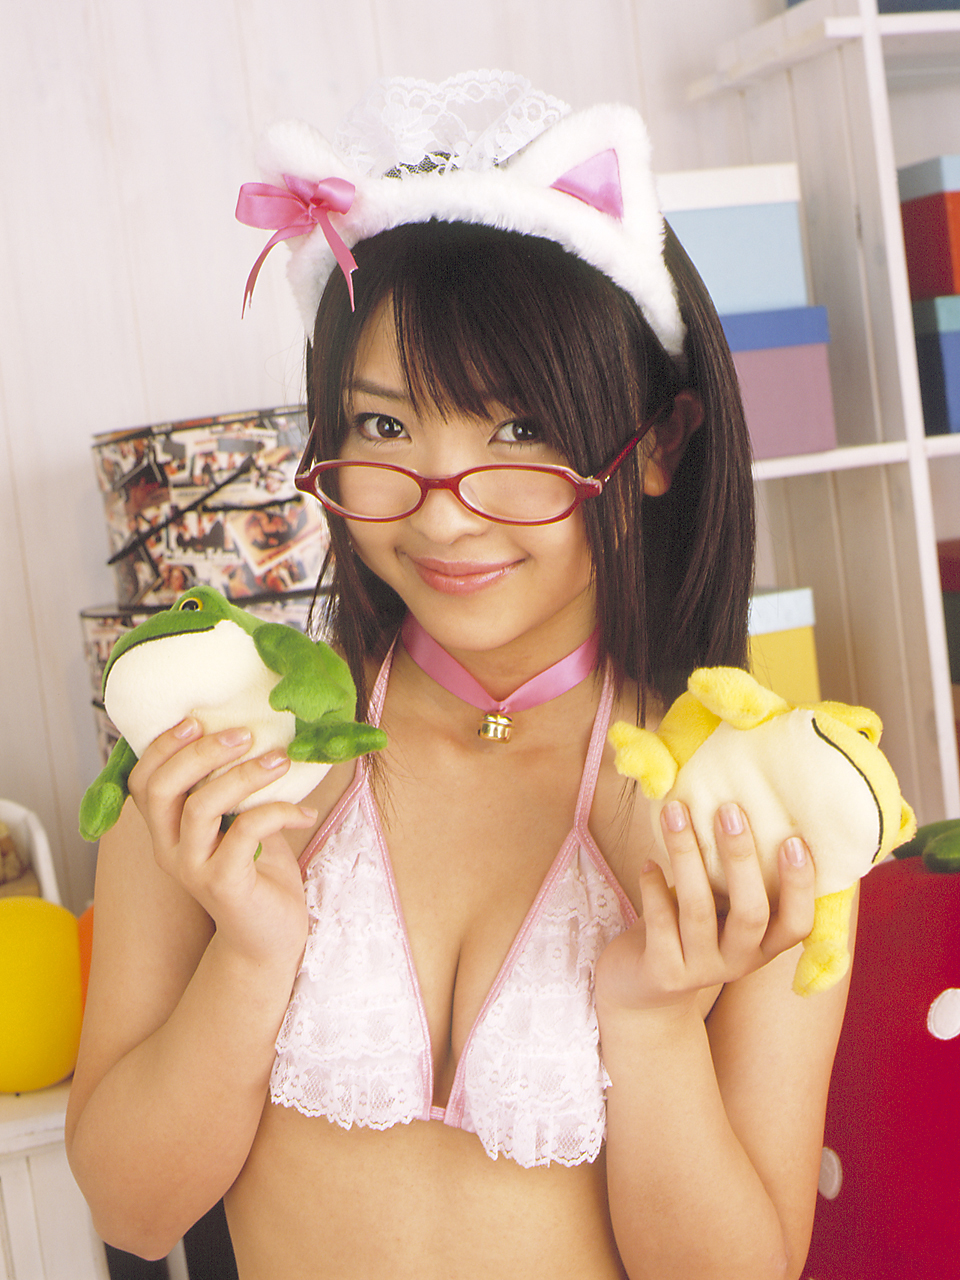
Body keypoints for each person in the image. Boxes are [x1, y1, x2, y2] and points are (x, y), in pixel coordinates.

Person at [66, 71, 851, 1280]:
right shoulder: (224, 748)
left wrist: (648, 1024)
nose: (441, 514)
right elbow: (131, 1208)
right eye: (382, 426)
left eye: (519, 428)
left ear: (660, 442)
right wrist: (253, 954)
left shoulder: (749, 813)